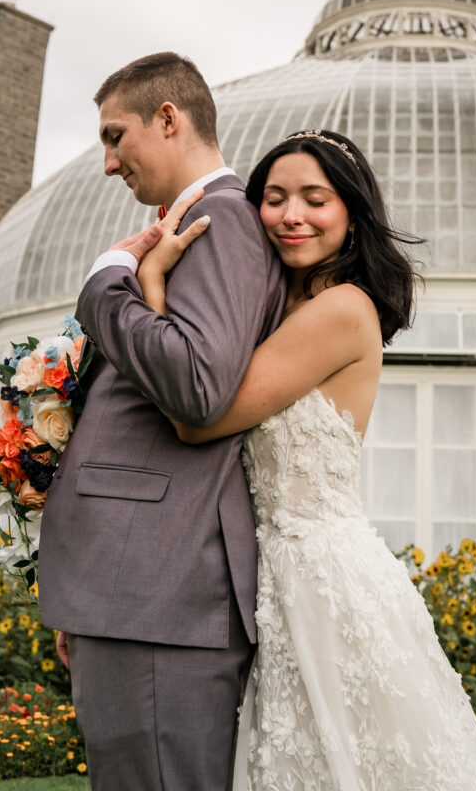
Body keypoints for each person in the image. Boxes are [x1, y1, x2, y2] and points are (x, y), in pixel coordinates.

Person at [137, 129, 476, 790]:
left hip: (322, 583)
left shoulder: (340, 309)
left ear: (351, 214)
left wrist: (150, 284)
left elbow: (195, 420)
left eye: (315, 199)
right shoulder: (275, 305)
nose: (292, 215)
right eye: (274, 198)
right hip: (268, 576)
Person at [37, 52, 285, 791]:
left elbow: (198, 385)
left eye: (116, 136)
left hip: (158, 597)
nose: (109, 162)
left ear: (169, 118)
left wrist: (106, 281)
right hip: (134, 592)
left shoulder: (224, 219)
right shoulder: (190, 224)